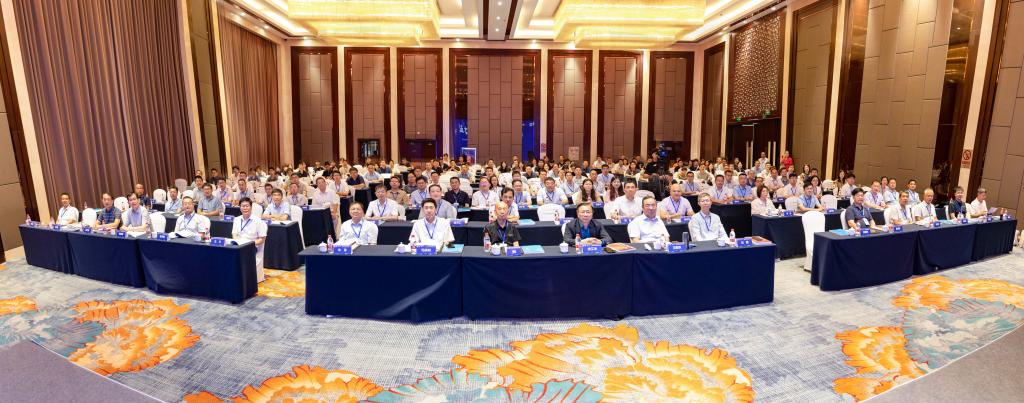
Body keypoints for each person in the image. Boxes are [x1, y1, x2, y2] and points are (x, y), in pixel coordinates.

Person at [231, 198, 268, 282]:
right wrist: (238, 243)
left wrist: (249, 244)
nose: (245, 208)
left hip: (252, 247)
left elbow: (262, 239)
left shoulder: (258, 221)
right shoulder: (236, 219)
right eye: (243, 206)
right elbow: (234, 234)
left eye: (247, 206)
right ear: (240, 207)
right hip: (239, 245)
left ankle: (246, 280)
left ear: (251, 207)